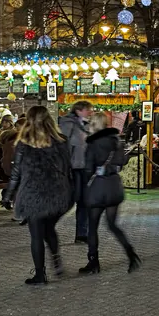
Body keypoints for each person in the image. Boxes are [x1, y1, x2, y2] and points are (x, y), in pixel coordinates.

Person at [2, 106, 73, 285]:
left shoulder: (23, 143)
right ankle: (56, 258)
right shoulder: (62, 141)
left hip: (33, 193)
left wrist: (8, 196)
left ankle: (40, 274)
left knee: (36, 235)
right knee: (49, 229)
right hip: (58, 193)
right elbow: (67, 169)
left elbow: (16, 173)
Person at [81, 113, 140, 275]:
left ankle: (93, 262)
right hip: (114, 186)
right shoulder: (116, 141)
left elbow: (88, 169)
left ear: (94, 125)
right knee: (113, 225)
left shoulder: (92, 144)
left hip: (98, 188)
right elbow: (122, 162)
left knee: (92, 227)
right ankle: (130, 253)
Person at [59, 100, 93, 243]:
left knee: (84, 201)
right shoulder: (68, 124)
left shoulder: (86, 125)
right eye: (88, 110)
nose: (91, 112)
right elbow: (63, 145)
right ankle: (47, 225)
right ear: (79, 110)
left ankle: (81, 233)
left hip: (85, 167)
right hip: (74, 168)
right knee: (71, 200)